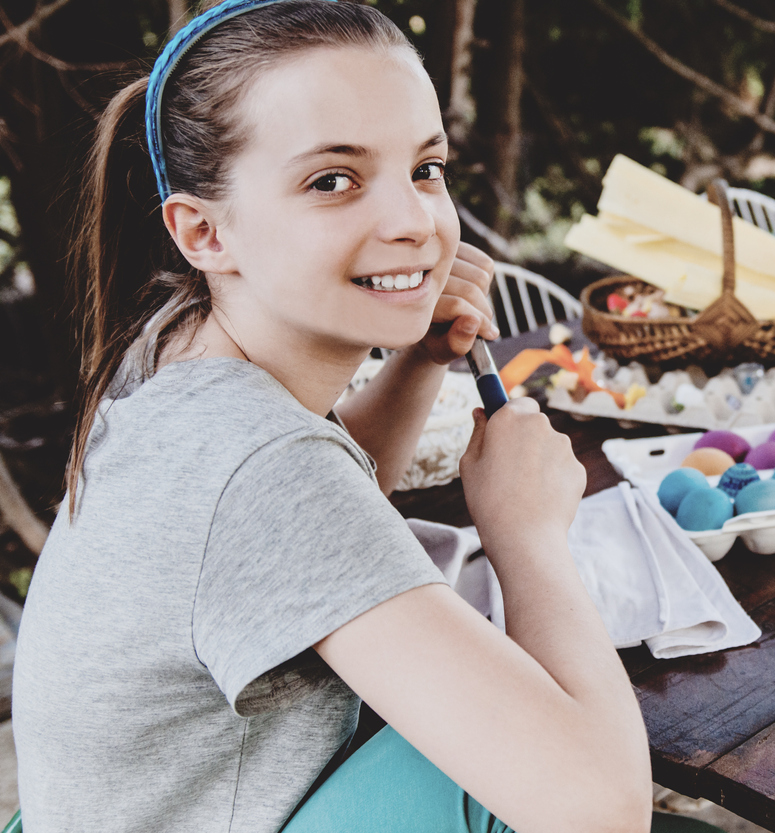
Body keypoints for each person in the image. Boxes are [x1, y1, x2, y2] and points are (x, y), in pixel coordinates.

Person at [11, 1, 653, 831]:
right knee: (512, 754)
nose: (415, 223)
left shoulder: (177, 351)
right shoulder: (255, 465)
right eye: (333, 181)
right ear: (203, 231)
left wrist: (421, 361)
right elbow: (600, 811)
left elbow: (305, 527)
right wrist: (528, 536)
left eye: (426, 169)